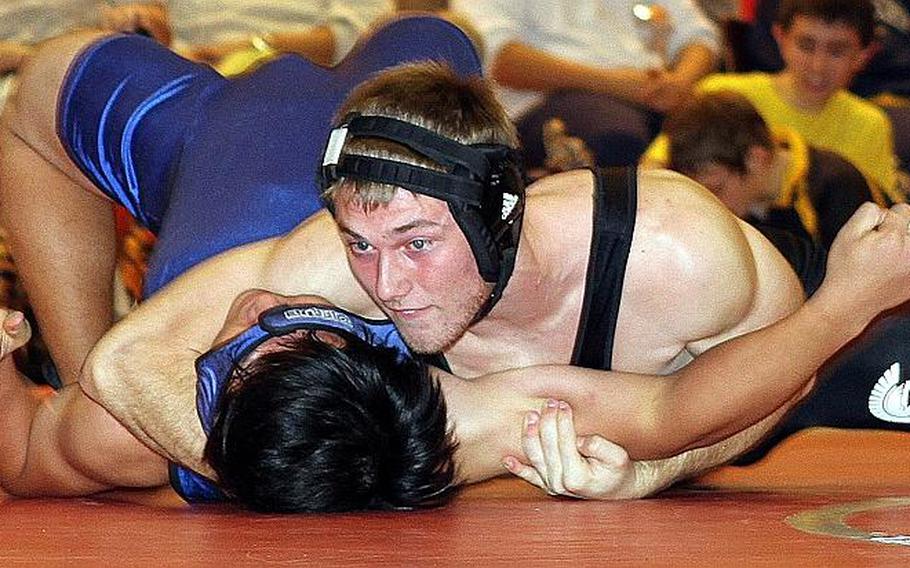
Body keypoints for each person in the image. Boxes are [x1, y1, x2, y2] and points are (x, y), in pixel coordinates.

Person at [3, 17, 910, 509]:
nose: (385, 287)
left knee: (48, 85)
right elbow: (683, 408)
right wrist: (842, 307)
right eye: (369, 253)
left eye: (411, 248)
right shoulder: (441, 419)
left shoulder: (317, 269)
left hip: (237, 163)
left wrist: (37, 366)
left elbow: (118, 376)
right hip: (330, 166)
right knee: (435, 36)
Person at [654, 90, 910, 462]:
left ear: (757, 159)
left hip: (868, 333)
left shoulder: (836, 186)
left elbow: (878, 289)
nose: (708, 204)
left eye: (715, 188)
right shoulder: (730, 210)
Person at [651, 0, 904, 202]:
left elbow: (876, 214)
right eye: (806, 45)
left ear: (864, 55)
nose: (818, 66)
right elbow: (655, 170)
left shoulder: (870, 124)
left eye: (836, 51)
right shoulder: (721, 95)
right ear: (781, 38)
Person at [447, 0, 721, 169]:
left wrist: (681, 81)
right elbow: (500, 60)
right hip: (549, 100)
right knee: (617, 137)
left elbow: (698, 34)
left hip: (653, 90)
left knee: (728, 125)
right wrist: (614, 83)